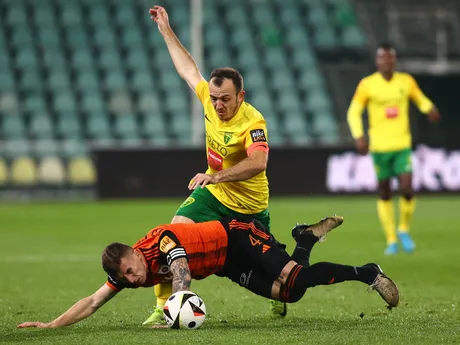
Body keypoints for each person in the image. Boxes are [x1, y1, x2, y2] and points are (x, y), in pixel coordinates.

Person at [144, 5, 293, 323]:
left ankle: (278, 295)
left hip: (249, 206)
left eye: (225, 98)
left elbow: (258, 162)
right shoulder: (209, 101)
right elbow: (187, 69)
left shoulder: (253, 121)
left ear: (241, 96)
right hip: (213, 195)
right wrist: (166, 31)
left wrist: (217, 176)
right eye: (214, 98)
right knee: (172, 232)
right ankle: (164, 308)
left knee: (272, 273)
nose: (218, 104)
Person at [17, 215, 399, 330]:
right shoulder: (125, 272)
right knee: (291, 293)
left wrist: (175, 314)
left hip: (235, 236)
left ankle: (366, 272)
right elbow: (95, 300)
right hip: (224, 265)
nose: (134, 280)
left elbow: (180, 270)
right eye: (130, 278)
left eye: (133, 271)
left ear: (135, 252)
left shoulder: (160, 242)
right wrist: (53, 325)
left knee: (296, 278)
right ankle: (305, 239)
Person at [347, 43, 441, 255]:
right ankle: (391, 239)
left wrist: (429, 109)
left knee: (407, 188)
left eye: (390, 59)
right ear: (377, 61)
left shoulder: (405, 81)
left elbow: (419, 98)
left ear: (394, 61)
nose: (386, 62)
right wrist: (359, 136)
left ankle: (404, 229)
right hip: (379, 147)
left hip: (401, 145)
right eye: (382, 58)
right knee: (385, 191)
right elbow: (353, 112)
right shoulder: (367, 85)